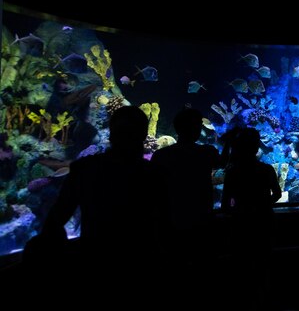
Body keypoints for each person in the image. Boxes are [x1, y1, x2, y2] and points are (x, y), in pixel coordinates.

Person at [33, 105, 169, 298]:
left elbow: (55, 220)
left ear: (112, 134)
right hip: (142, 265)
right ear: (143, 136)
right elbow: (165, 223)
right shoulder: (153, 175)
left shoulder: (84, 169)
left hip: (93, 263)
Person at [150, 107, 224, 271]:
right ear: (197, 129)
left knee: (175, 263)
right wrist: (228, 144)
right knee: (202, 263)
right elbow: (223, 163)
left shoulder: (162, 156)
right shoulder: (206, 152)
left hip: (171, 218)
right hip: (201, 216)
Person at [221, 127, 282, 309]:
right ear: (256, 149)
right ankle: (265, 301)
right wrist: (263, 206)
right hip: (264, 221)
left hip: (240, 223)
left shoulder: (233, 172)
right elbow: (277, 194)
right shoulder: (266, 169)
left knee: (241, 264)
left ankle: (242, 303)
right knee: (264, 262)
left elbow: (225, 204)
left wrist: (239, 211)